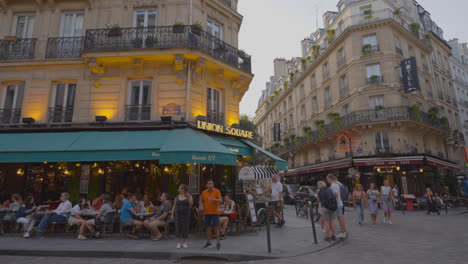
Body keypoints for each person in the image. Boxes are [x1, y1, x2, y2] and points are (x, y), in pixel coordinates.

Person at [200, 179, 222, 250]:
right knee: (208, 228)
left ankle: (218, 243)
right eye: (209, 184)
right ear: (206, 185)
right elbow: (201, 200)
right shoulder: (204, 192)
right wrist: (201, 205)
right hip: (206, 212)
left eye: (212, 184)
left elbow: (220, 200)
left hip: (215, 212)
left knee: (216, 228)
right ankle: (208, 242)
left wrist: (214, 200)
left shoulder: (217, 191)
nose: (211, 185)